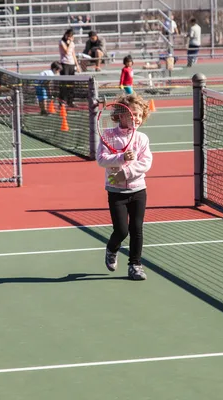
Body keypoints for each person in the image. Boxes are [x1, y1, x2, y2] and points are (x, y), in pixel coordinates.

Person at [96, 93, 153, 281]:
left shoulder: (142, 138)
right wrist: (121, 158)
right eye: (132, 114)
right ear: (121, 115)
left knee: (137, 228)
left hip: (138, 189)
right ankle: (112, 249)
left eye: (139, 115)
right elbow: (101, 160)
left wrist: (125, 173)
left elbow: (146, 163)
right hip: (116, 191)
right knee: (121, 230)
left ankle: (135, 265)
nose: (136, 118)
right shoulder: (108, 135)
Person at [59, 29, 81, 107]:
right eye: (70, 36)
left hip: (71, 64)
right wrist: (69, 43)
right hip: (65, 64)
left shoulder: (72, 43)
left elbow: (73, 54)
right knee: (64, 83)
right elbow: (67, 52)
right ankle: (62, 101)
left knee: (71, 84)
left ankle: (70, 101)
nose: (72, 38)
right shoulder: (62, 42)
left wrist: (77, 65)